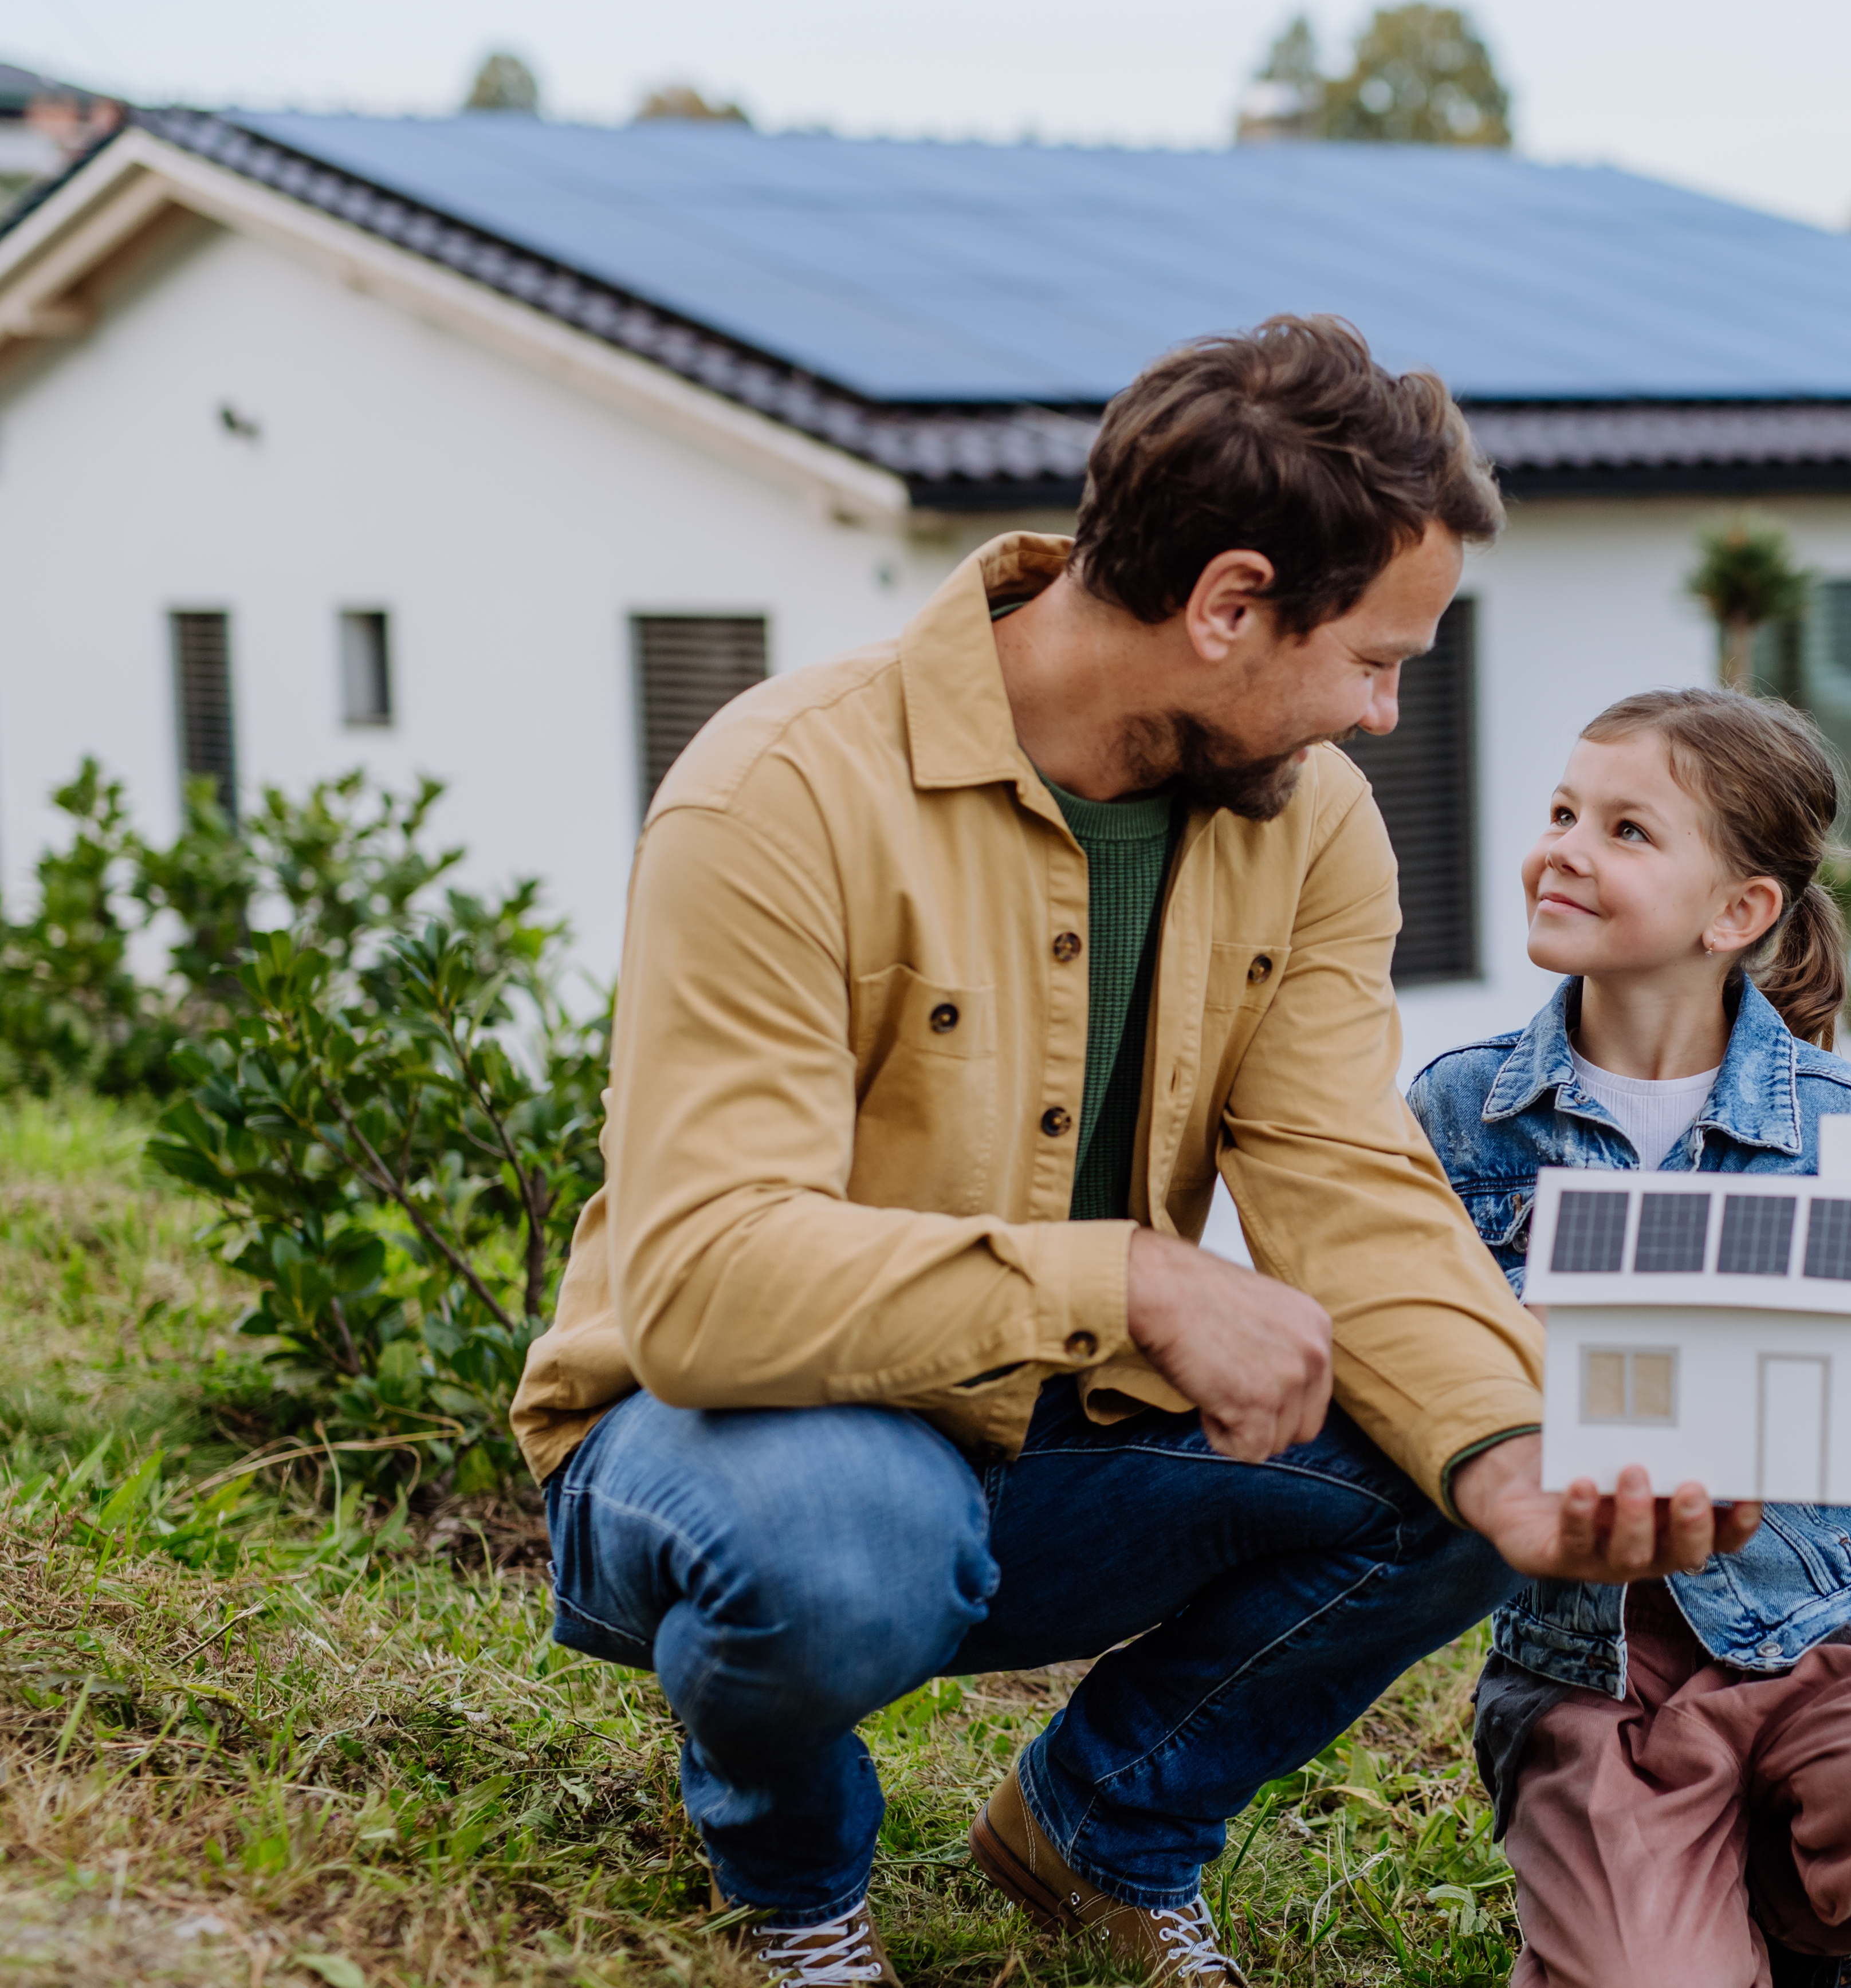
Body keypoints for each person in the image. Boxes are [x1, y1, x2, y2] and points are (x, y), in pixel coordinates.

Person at [509, 318, 1754, 1988]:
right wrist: (1133, 1278)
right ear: (1231, 606)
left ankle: (1099, 1831)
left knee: (1461, 1433)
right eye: (1377, 660)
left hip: (1050, 1451)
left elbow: (1345, 1184)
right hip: (728, 1451)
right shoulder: (782, 790)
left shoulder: (1307, 826)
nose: (1387, 715)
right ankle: (793, 1879)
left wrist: (1513, 1449)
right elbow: (702, 1291)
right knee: (853, 1536)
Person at [1406, 688, 1851, 1988]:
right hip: (1598, 1659)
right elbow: (1414, 1365)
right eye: (1563, 812)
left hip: (1828, 1619)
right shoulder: (1463, 1107)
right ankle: (1681, 1902)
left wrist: (1690, 1375)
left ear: (1739, 912)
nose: (1566, 848)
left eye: (1628, 829)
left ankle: (1804, 1925)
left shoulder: (1846, 1123)